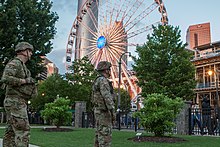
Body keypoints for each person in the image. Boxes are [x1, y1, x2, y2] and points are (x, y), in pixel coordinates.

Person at [1, 42, 38, 147]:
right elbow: (6, 78)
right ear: (24, 51)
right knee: (23, 130)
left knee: (11, 132)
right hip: (15, 101)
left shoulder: (23, 67)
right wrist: (24, 81)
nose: (31, 54)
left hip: (18, 101)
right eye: (30, 51)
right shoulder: (15, 63)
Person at [92, 61, 116, 147]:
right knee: (105, 135)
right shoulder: (103, 80)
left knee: (99, 134)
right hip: (103, 111)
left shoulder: (97, 80)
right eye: (109, 69)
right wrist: (113, 112)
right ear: (106, 70)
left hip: (98, 110)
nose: (110, 71)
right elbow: (107, 97)